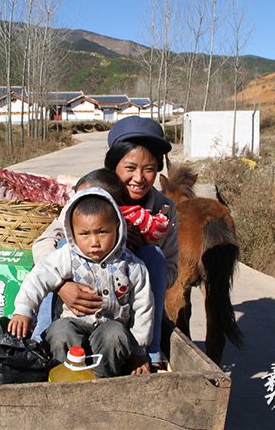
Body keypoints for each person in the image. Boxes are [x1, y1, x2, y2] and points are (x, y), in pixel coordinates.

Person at [34, 116, 178, 369]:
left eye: (149, 169)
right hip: (78, 296)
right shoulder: (92, 198)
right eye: (130, 168)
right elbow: (44, 242)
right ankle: (40, 338)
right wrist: (62, 285)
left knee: (154, 255)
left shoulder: (162, 210)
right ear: (113, 167)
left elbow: (170, 271)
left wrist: (134, 262)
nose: (139, 178)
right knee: (60, 249)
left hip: (125, 303)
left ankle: (149, 351)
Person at [9, 187, 154, 377]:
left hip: (110, 326)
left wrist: (139, 351)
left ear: (117, 226)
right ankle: (63, 377)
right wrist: (23, 311)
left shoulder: (131, 266)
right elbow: (38, 277)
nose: (94, 241)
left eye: (102, 232)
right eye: (85, 234)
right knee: (60, 332)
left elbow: (143, 307)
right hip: (73, 323)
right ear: (72, 232)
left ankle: (102, 380)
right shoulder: (67, 257)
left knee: (115, 335)